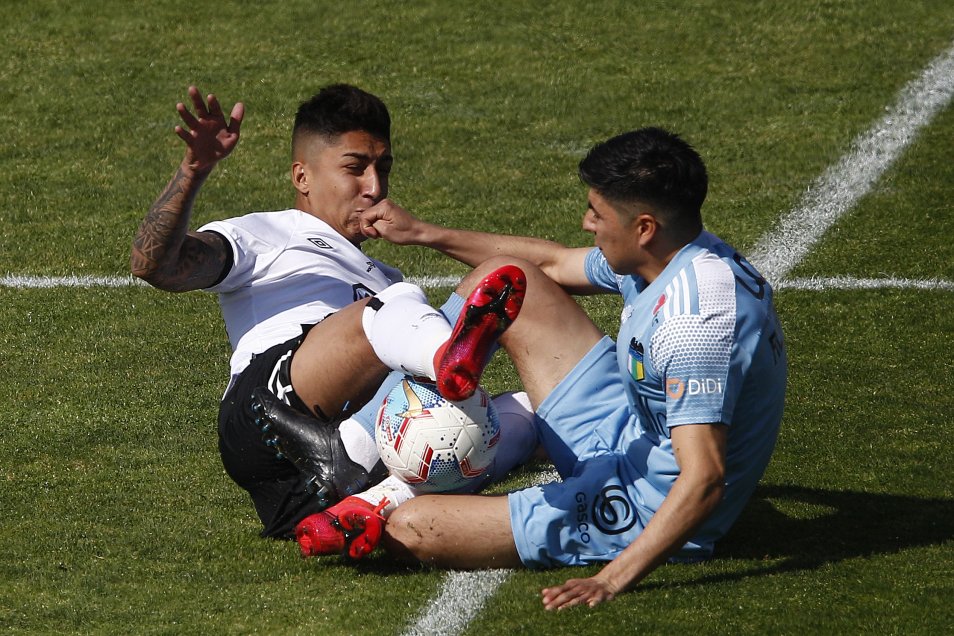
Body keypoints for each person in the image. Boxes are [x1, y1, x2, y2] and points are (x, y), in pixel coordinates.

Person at [351, 127, 787, 609]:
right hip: (627, 429)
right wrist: (421, 233)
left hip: (646, 503)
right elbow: (555, 264)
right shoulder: (671, 255)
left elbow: (704, 479)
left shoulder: (694, 324)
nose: (586, 223)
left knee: (410, 528)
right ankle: (409, 429)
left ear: (644, 228)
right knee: (506, 277)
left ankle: (400, 483)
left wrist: (610, 580)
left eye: (597, 213)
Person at [130, 85, 535, 542]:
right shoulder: (269, 232)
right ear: (302, 177)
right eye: (355, 168)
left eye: (383, 169)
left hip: (321, 481)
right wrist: (193, 170)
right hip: (270, 414)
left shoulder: (383, 277)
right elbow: (155, 266)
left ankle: (370, 504)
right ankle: (441, 368)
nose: (375, 188)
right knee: (399, 306)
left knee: (522, 409)